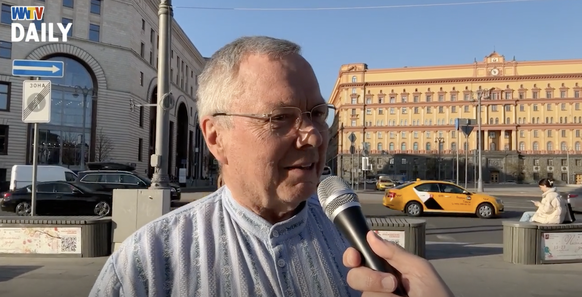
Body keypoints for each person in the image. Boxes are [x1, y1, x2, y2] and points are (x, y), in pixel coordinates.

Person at [89, 36, 454, 297]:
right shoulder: (148, 263)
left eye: (317, 114)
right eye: (281, 117)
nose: (313, 136)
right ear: (216, 137)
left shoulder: (355, 244)